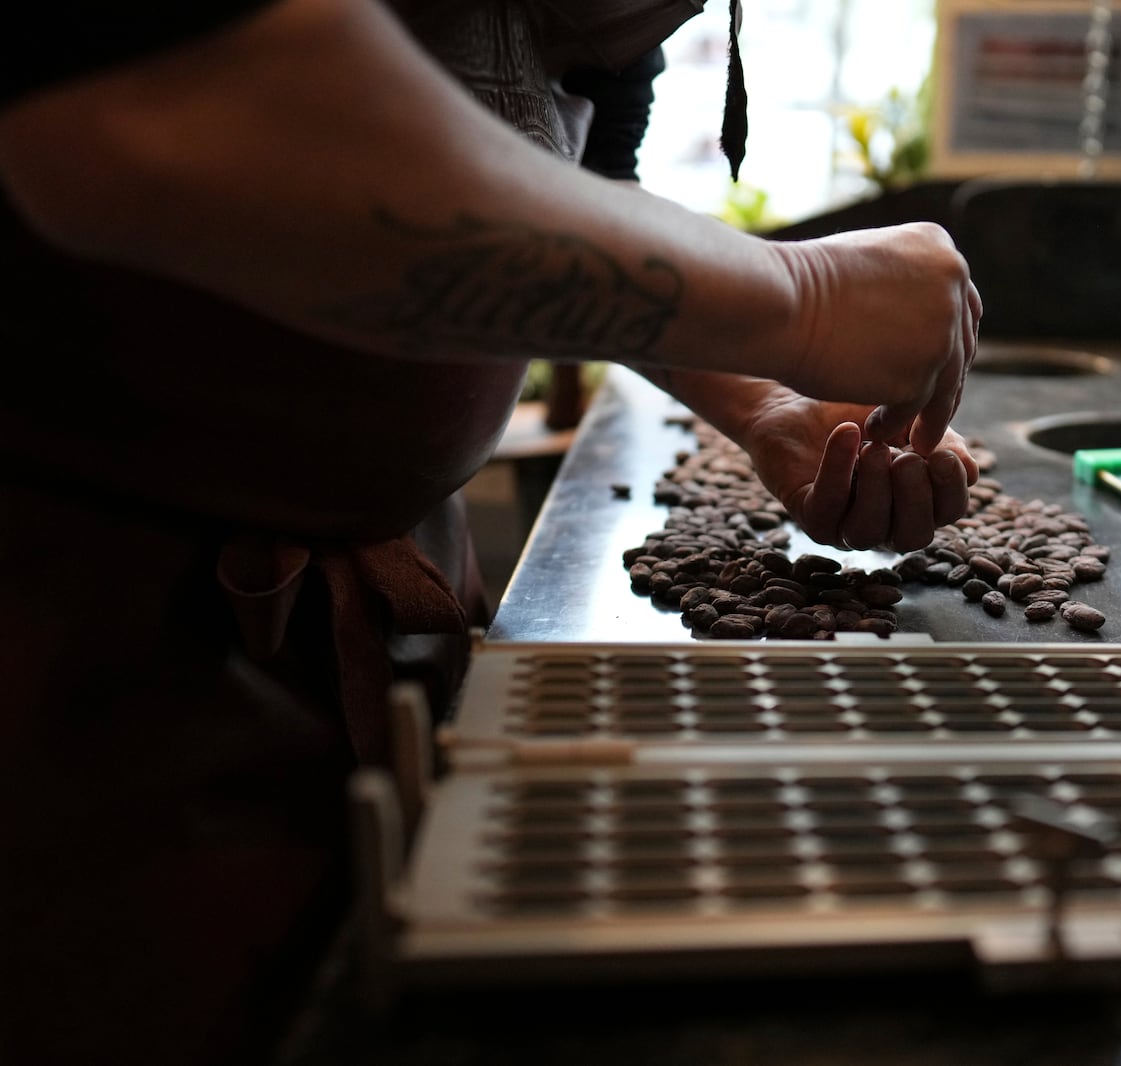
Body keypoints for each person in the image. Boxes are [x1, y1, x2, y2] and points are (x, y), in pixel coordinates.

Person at [0, 1, 981, 1064]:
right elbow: (171, 113)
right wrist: (803, 294)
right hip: (86, 642)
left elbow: (580, 206)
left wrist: (763, 401)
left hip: (382, 602)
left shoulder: (613, 26)